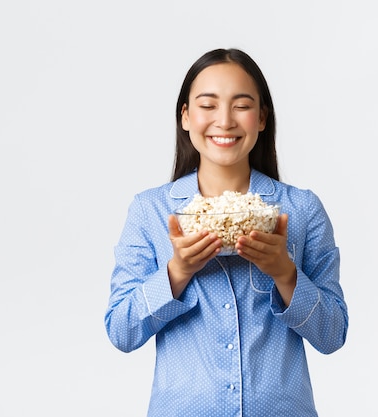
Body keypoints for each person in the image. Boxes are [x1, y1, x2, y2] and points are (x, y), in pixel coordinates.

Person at [104, 48, 348, 416]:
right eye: (208, 104)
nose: (224, 120)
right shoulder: (150, 211)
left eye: (241, 105)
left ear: (262, 118)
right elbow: (121, 332)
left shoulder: (300, 210)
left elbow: (332, 335)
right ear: (185, 117)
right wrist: (177, 273)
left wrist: (285, 273)